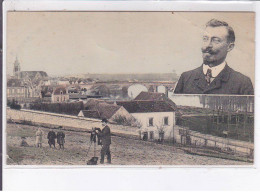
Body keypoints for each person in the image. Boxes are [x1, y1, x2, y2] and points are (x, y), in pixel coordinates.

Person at [174, 19, 254, 95]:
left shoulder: (242, 83)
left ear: (230, 47)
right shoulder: (186, 78)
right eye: (205, 39)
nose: (208, 45)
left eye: (216, 40)